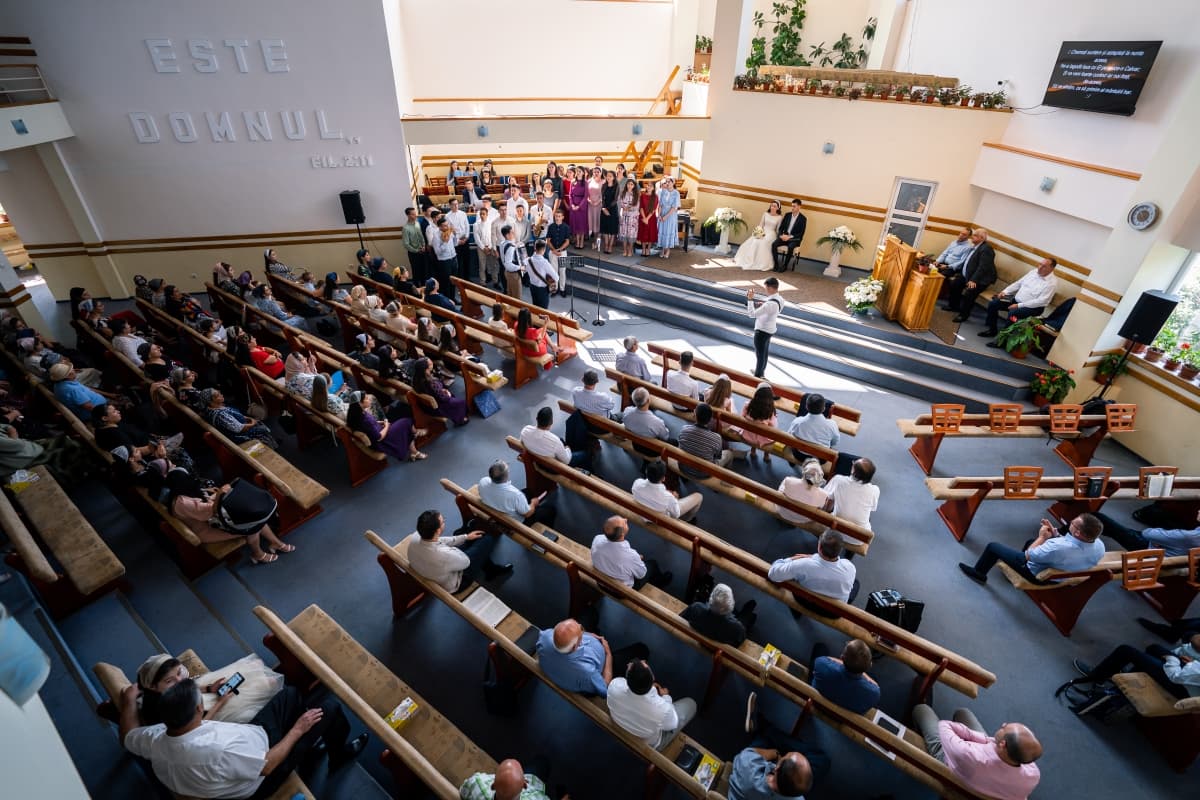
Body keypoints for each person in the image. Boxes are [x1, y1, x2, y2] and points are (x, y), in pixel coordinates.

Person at [120, 676, 366, 800]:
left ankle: (312, 739)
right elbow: (266, 766)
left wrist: (130, 701)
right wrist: (297, 730)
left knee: (289, 694)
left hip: (252, 737)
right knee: (331, 707)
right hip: (260, 775)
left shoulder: (156, 736)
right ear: (197, 710)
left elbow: (128, 736)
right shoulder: (217, 751)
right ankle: (338, 754)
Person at [910, 705, 1042, 800]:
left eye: (1005, 727)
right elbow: (991, 742)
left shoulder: (967, 754)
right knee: (963, 712)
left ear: (1003, 745)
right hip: (981, 765)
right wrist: (980, 739)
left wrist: (966, 735)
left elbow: (944, 726)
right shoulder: (1033, 776)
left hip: (953, 764)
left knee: (922, 710)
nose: (1003, 724)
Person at [165, 470, 291, 564]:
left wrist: (214, 495)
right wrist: (219, 494)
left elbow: (203, 507)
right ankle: (258, 553)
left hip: (211, 521)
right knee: (251, 526)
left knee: (250, 517)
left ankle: (275, 543)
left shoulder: (179, 495)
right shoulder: (182, 502)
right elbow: (211, 512)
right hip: (206, 530)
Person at [958, 513, 1105, 585]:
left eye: (1073, 523)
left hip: (1038, 576)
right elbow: (1067, 545)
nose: (1071, 522)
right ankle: (1013, 567)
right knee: (1030, 541)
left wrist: (1042, 537)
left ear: (1078, 532)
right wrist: (1055, 534)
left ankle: (979, 573)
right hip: (1063, 573)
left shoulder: (1056, 548)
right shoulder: (1099, 545)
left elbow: (1028, 556)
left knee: (993, 547)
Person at [733, 694, 830, 800]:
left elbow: (747, 753)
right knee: (822, 761)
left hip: (754, 779)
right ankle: (768, 731)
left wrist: (776, 753)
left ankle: (764, 728)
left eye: (786, 756)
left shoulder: (746, 767)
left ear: (777, 768)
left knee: (767, 739)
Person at [536, 618, 649, 699]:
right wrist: (608, 653)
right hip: (602, 666)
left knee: (590, 613)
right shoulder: (587, 673)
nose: (581, 627)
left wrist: (588, 634)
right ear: (575, 646)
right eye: (581, 631)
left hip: (564, 665)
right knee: (642, 649)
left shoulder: (545, 637)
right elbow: (605, 687)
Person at [1066, 634, 1200, 700]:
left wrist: (1173, 660)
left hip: (1183, 689)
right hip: (1191, 675)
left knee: (1126, 650)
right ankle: (1120, 681)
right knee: (1154, 648)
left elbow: (1176, 677)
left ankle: (1096, 677)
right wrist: (1191, 664)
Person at [405, 509, 512, 592]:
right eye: (443, 521)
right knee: (486, 539)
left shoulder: (417, 536)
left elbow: (440, 541)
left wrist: (465, 537)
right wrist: (456, 548)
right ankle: (491, 570)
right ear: (438, 530)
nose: (444, 522)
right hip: (457, 583)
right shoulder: (443, 554)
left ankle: (490, 569)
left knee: (466, 537)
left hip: (431, 567)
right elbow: (466, 562)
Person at [606, 659, 696, 750]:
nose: (643, 661)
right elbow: (672, 724)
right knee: (691, 703)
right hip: (648, 744)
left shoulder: (614, 685)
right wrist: (666, 697)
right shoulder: (662, 709)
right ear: (652, 678)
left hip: (621, 726)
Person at [768, 530, 859, 603]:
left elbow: (773, 574)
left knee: (798, 576)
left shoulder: (803, 564)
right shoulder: (850, 568)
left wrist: (792, 559)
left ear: (819, 547)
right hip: (834, 612)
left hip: (805, 601)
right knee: (855, 583)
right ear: (840, 550)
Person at [981, 258, 1059, 342]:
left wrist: (1019, 306)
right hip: (1016, 300)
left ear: (1051, 268)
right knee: (994, 303)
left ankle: (1002, 340)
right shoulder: (1033, 272)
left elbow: (1041, 301)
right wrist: (1005, 291)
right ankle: (992, 329)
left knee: (1013, 314)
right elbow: (1018, 283)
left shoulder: (1052, 283)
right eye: (1039, 264)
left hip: (1032, 308)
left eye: (1044, 266)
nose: (1039, 267)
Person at [591, 514, 672, 589]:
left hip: (601, 583)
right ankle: (660, 582)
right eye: (624, 523)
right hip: (620, 591)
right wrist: (637, 559)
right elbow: (641, 574)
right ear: (622, 534)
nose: (626, 519)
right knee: (652, 564)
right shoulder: (631, 556)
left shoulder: (597, 539)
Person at [787, 393, 860, 476]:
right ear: (824, 408)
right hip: (821, 459)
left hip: (799, 455)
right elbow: (835, 442)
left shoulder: (798, 422)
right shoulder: (831, 425)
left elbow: (790, 436)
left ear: (806, 407)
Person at [345, 391, 426, 462]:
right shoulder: (364, 419)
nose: (369, 399)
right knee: (406, 422)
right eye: (366, 399)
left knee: (404, 426)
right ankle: (416, 435)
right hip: (382, 442)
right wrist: (387, 425)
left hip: (379, 433)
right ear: (360, 403)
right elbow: (379, 437)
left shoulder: (358, 414)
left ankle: (414, 451)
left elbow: (370, 425)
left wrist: (380, 422)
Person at [478, 460, 557, 527]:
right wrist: (533, 504)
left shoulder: (483, 481)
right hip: (516, 522)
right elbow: (527, 514)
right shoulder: (515, 494)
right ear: (506, 476)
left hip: (494, 506)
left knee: (528, 492)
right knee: (550, 511)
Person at [809, 639, 879, 714]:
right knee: (874, 677)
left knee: (820, 647)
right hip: (842, 718)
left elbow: (826, 659)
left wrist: (845, 662)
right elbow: (875, 685)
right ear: (869, 666)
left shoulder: (822, 664)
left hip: (817, 703)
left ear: (842, 658)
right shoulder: (874, 692)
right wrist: (862, 668)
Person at [943, 228, 998, 323]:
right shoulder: (975, 246)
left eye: (975, 235)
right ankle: (953, 306)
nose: (973, 236)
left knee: (970, 292)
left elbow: (983, 267)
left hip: (981, 279)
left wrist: (974, 280)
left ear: (981, 238)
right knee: (955, 283)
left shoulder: (986, 249)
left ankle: (963, 315)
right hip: (969, 275)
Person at [1094, 508, 1200, 557]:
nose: (1198, 510)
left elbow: (1147, 533)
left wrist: (1161, 532)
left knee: (1099, 517)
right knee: (1118, 530)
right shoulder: (1195, 533)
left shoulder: (1190, 536)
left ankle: (1084, 527)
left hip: (1148, 550)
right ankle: (1093, 533)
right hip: (1162, 549)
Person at [200, 389, 279, 449]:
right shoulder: (221, 416)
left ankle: (273, 443)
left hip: (241, 425)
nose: (222, 395)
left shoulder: (215, 407)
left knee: (259, 424)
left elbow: (235, 416)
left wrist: (247, 418)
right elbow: (241, 429)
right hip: (241, 436)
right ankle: (269, 449)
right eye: (218, 395)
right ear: (211, 401)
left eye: (220, 392)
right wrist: (253, 422)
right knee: (261, 428)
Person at [681, 583, 757, 646]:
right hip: (721, 643)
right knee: (748, 613)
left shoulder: (696, 608)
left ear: (710, 599)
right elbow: (741, 640)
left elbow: (682, 617)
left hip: (703, 633)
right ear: (730, 605)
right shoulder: (737, 628)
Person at [460, 757, 566, 800]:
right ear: (525, 784)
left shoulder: (477, 782)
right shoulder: (536, 797)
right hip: (535, 781)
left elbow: (463, 790)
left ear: (493, 785)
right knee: (541, 763)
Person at [676, 403, 735, 480]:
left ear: (695, 415)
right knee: (729, 453)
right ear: (710, 419)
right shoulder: (716, 438)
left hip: (684, 467)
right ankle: (722, 478)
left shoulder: (684, 430)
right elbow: (717, 456)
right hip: (705, 474)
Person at [632, 460, 701, 522]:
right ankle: (687, 520)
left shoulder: (637, 483)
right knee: (699, 496)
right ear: (663, 478)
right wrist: (675, 499)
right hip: (659, 520)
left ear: (646, 472)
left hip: (644, 514)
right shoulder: (668, 497)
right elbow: (676, 515)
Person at [822, 458, 879, 534]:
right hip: (859, 537)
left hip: (834, 529)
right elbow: (872, 508)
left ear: (853, 471)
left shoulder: (838, 480)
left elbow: (826, 499)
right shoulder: (875, 490)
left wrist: (824, 514)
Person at [521, 406, 588, 467]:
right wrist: (568, 449)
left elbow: (523, 442)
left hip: (536, 461)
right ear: (551, 422)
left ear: (536, 419)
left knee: (561, 440)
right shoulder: (554, 441)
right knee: (586, 453)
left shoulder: (525, 430)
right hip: (552, 468)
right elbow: (567, 461)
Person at [412, 357, 468, 426]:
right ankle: (460, 420)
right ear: (426, 370)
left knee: (454, 399)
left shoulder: (416, 380)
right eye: (430, 364)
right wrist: (448, 394)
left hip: (426, 406)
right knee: (461, 402)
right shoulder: (430, 383)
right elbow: (443, 398)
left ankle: (457, 414)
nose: (432, 363)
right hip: (438, 406)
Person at [747, 277, 784, 378]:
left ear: (771, 288)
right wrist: (764, 305)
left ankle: (758, 376)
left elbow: (751, 314)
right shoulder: (780, 299)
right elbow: (774, 310)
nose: (766, 290)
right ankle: (761, 371)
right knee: (764, 353)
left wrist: (750, 299)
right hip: (770, 329)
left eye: (766, 288)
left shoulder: (769, 304)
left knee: (760, 355)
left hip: (762, 331)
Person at [776, 458, 830, 529]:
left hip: (783, 512)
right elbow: (822, 509)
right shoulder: (824, 495)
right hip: (804, 519)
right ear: (820, 477)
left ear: (804, 471)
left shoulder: (789, 481)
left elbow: (779, 492)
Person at [736, 200, 783, 272]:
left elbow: (778, 229)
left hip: (771, 233)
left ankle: (761, 262)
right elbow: (761, 224)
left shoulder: (779, 217)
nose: (772, 207)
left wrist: (778, 237)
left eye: (774, 206)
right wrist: (758, 232)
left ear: (778, 208)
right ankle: (751, 260)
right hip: (763, 230)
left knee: (763, 243)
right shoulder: (765, 214)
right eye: (771, 205)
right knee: (755, 241)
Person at [739, 384, 779, 462]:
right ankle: (766, 455)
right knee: (769, 433)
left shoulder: (748, 405)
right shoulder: (770, 411)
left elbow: (742, 416)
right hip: (762, 438)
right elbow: (773, 426)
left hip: (748, 434)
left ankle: (753, 451)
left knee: (755, 431)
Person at [772, 199, 807, 272]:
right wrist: (781, 235)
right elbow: (781, 228)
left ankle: (784, 266)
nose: (792, 208)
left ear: (799, 207)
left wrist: (789, 237)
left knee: (790, 247)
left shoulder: (803, 219)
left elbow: (801, 233)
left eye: (794, 206)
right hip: (784, 237)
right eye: (792, 206)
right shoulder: (787, 215)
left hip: (794, 239)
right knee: (774, 244)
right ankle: (776, 264)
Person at [429, 219, 460, 303]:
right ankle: (447, 300)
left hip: (453, 258)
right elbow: (437, 252)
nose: (447, 227)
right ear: (440, 227)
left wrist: (455, 235)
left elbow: (455, 244)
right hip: (444, 261)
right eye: (445, 226)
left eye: (447, 225)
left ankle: (453, 298)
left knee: (453, 280)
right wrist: (445, 242)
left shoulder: (449, 232)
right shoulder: (436, 236)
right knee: (446, 282)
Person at [526, 240, 558, 309]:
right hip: (542, 290)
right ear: (544, 249)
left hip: (532, 288)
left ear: (535, 248)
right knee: (543, 311)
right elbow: (556, 277)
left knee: (535, 308)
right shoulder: (544, 262)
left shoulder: (528, 260)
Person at [546, 207, 571, 296]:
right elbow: (548, 240)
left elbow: (567, 241)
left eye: (559, 216)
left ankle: (562, 289)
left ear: (563, 217)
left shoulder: (566, 227)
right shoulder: (551, 227)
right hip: (553, 253)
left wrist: (559, 249)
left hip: (563, 252)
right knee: (553, 272)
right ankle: (555, 289)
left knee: (562, 272)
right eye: (556, 216)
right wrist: (554, 250)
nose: (557, 218)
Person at [656, 177, 680, 259]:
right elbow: (660, 204)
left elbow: (674, 207)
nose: (667, 183)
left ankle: (668, 249)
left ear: (673, 183)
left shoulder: (676, 193)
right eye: (666, 182)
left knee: (669, 230)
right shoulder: (663, 191)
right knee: (662, 230)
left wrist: (666, 216)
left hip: (670, 215)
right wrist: (659, 215)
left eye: (669, 182)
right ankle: (663, 248)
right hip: (662, 213)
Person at [402, 207, 427, 284]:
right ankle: (416, 290)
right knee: (416, 272)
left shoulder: (417, 223)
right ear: (408, 215)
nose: (415, 215)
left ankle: (424, 288)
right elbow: (406, 244)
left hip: (422, 251)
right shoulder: (406, 228)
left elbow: (421, 236)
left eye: (415, 213)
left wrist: (423, 246)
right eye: (413, 214)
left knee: (424, 271)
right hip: (414, 253)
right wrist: (416, 250)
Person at [499, 224, 525, 299]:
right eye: (512, 232)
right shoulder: (511, 247)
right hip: (513, 274)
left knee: (510, 295)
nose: (513, 233)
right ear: (507, 235)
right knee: (517, 297)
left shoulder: (502, 243)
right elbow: (508, 264)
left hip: (507, 273)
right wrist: (520, 267)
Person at [474, 204, 497, 286]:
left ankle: (495, 281)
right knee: (482, 266)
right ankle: (482, 282)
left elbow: (493, 235)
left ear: (487, 214)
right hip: (481, 248)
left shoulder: (491, 223)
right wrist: (484, 248)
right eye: (481, 214)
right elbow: (477, 238)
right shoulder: (476, 224)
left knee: (493, 265)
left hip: (491, 246)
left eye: (484, 214)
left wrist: (490, 247)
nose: (482, 215)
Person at [599, 170, 619, 254]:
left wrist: (608, 208)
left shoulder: (616, 186)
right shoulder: (604, 185)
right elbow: (602, 197)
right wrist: (603, 208)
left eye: (610, 176)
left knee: (612, 229)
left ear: (614, 177)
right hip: (604, 209)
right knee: (605, 228)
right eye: (607, 176)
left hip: (612, 209)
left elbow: (615, 199)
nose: (608, 177)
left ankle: (610, 246)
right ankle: (606, 245)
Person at [637, 180, 659, 258]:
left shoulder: (655, 196)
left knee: (650, 234)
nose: (648, 187)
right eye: (648, 185)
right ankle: (643, 249)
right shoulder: (642, 195)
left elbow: (653, 209)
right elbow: (641, 207)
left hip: (651, 218)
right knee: (643, 234)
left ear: (653, 188)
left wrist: (647, 218)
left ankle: (648, 249)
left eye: (650, 186)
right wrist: (644, 217)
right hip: (643, 217)